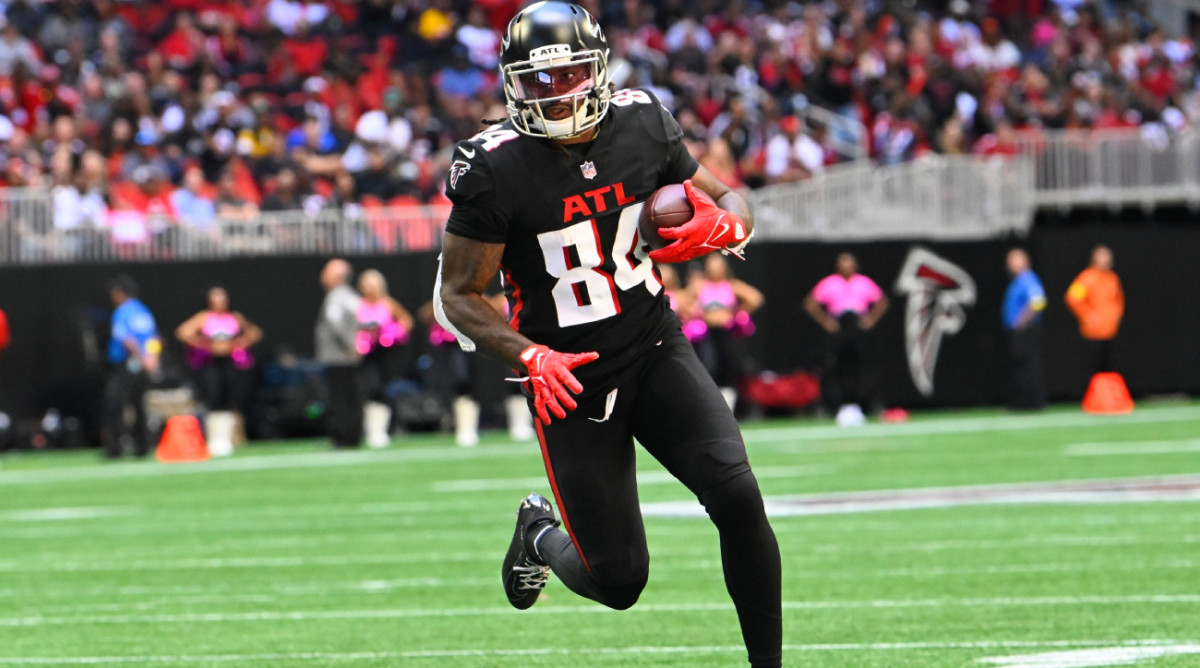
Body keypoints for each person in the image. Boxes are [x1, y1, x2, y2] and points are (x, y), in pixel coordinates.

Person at [434, 4, 781, 667]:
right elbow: (459, 295)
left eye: (568, 74)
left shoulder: (644, 123)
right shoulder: (491, 166)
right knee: (619, 582)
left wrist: (732, 226)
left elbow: (732, 198)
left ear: (597, 70)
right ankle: (539, 536)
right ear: (511, 83)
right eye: (537, 81)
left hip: (653, 345)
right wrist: (529, 353)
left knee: (736, 493)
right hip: (568, 377)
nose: (555, 93)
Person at [175, 287, 263, 456]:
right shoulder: (204, 317)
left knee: (228, 398)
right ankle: (214, 439)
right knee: (213, 397)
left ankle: (226, 439)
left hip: (229, 361)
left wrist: (239, 343)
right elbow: (183, 332)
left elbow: (255, 332)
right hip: (211, 362)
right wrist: (203, 344)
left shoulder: (234, 317)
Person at [804, 252, 889, 424]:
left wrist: (870, 320)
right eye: (843, 264)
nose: (846, 268)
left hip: (856, 326)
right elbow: (811, 303)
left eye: (849, 264)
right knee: (836, 367)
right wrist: (826, 322)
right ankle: (837, 405)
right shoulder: (830, 283)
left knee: (860, 366)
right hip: (840, 326)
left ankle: (863, 404)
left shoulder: (863, 282)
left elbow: (882, 301)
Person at [690, 254, 764, 410]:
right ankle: (708, 407)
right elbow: (681, 300)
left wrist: (736, 313)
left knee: (728, 368)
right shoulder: (700, 285)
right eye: (711, 264)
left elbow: (756, 298)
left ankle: (727, 408)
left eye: (718, 264)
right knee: (708, 368)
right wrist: (697, 313)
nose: (714, 268)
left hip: (725, 334)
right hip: (707, 334)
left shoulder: (731, 285)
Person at [103, 276, 161, 458]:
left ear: (119, 294)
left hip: (126, 363)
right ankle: (142, 446)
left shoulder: (122, 312)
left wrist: (142, 356)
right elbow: (154, 338)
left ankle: (115, 448)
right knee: (139, 404)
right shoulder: (143, 311)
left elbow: (125, 339)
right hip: (143, 365)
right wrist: (152, 358)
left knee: (116, 404)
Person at [355, 269, 414, 449]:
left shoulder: (388, 304)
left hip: (385, 353)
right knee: (369, 388)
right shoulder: (358, 305)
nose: (369, 289)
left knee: (382, 388)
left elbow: (407, 321)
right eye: (366, 285)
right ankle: (370, 430)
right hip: (364, 354)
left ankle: (380, 432)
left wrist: (393, 333)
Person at [315, 258, 364, 448]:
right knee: (351, 396)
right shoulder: (351, 296)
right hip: (346, 357)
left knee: (340, 398)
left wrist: (350, 346)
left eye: (326, 272)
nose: (322, 277)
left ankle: (343, 436)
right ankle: (352, 434)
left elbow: (335, 323)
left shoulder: (337, 296)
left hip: (338, 357)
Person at [1064, 245, 1124, 375]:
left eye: (1107, 256)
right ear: (1094, 258)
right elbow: (1072, 298)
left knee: (1109, 367)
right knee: (1092, 367)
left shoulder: (1112, 278)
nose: (1105, 259)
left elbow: (1118, 300)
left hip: (1111, 331)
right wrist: (1087, 315)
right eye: (1101, 256)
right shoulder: (1086, 278)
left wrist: (1116, 315)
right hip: (1092, 333)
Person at [1003, 248, 1047, 410]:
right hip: (1019, 330)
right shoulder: (1017, 280)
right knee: (1020, 366)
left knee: (1028, 365)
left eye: (1014, 259)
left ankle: (1031, 402)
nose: (1010, 264)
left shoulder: (1028, 279)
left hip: (1027, 330)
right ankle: (1021, 401)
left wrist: (1022, 320)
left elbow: (1038, 302)